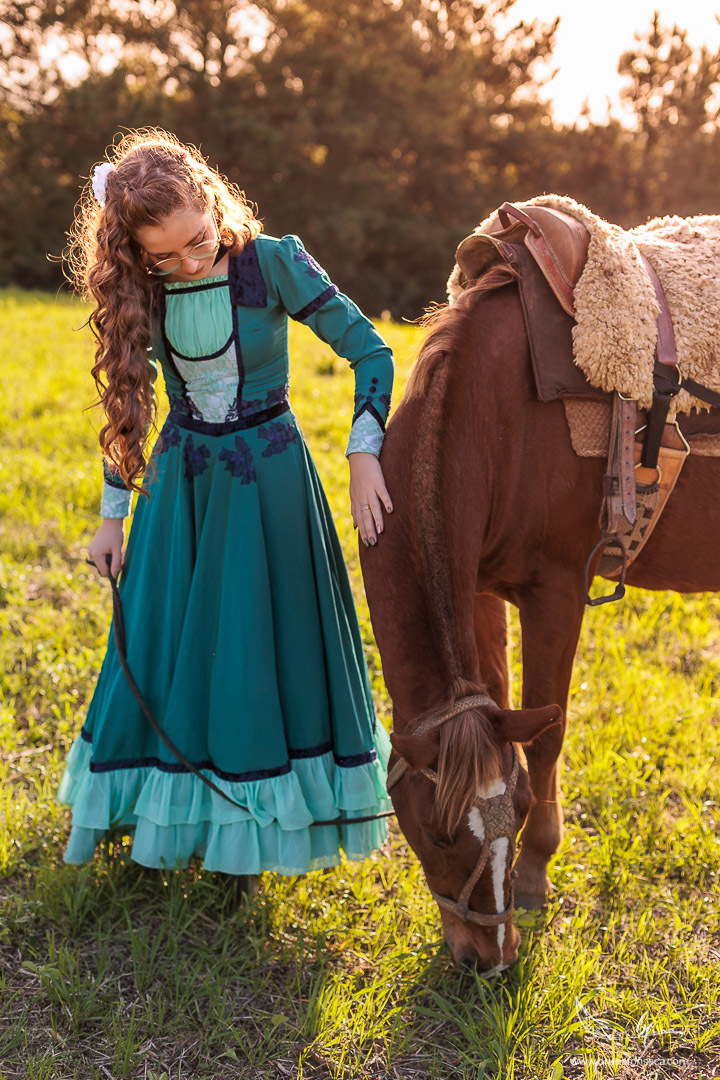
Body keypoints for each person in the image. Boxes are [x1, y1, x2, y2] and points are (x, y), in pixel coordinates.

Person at [58, 129, 394, 878]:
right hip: (184, 486)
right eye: (165, 256)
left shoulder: (274, 262)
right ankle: (171, 815)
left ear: (213, 200)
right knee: (169, 641)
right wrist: (113, 518)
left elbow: (371, 350)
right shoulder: (143, 283)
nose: (188, 262)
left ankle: (253, 823)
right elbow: (129, 404)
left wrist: (363, 450)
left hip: (271, 482)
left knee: (258, 644)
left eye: (198, 242)